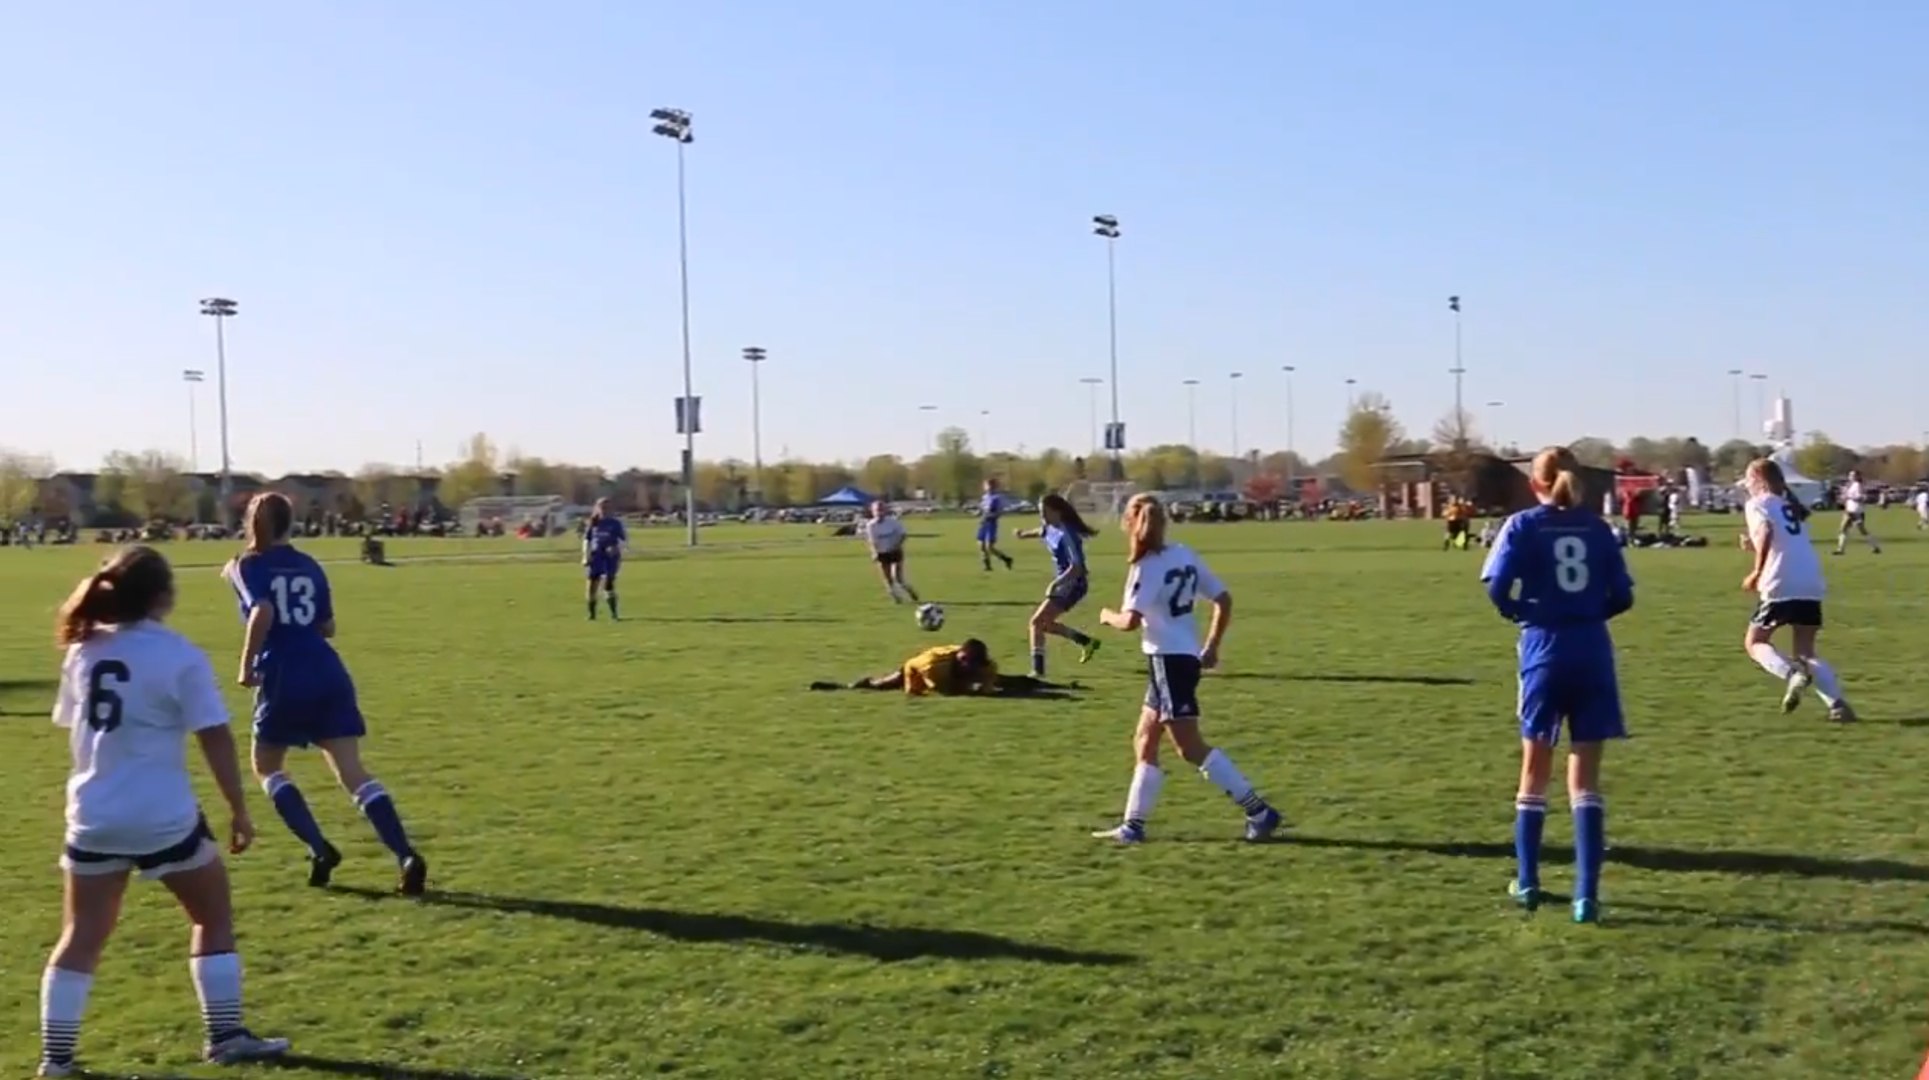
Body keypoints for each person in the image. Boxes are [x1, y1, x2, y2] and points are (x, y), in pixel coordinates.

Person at [39, 546, 289, 1075]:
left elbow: (75, 729)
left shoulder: (81, 651)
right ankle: (226, 1036)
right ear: (161, 597)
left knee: (81, 935)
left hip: (92, 814)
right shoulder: (179, 655)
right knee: (212, 916)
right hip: (161, 817)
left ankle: (55, 1060)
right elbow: (215, 738)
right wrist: (239, 810)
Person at [221, 492, 429, 894]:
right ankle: (405, 854)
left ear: (252, 524)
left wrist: (246, 666)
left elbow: (262, 611)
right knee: (353, 772)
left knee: (267, 766)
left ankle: (320, 848)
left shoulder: (248, 565)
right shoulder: (310, 565)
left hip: (284, 672)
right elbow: (328, 626)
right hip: (327, 668)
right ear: (291, 524)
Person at [1479, 447, 1634, 925]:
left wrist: (1524, 613)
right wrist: (1586, 616)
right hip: (1592, 650)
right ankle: (1585, 896)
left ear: (1535, 483)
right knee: (1585, 778)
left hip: (1544, 650)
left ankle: (1528, 881)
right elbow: (1623, 596)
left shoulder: (1524, 526)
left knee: (1534, 770)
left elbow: (1495, 585)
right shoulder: (1598, 528)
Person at [1091, 494, 1282, 844]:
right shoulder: (1184, 554)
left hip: (1167, 661)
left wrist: (1106, 616)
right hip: (1181, 659)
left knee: (1190, 748)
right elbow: (1223, 599)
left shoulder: (1145, 566)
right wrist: (1211, 646)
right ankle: (1133, 827)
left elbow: (1130, 622)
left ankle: (1259, 811)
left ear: (1132, 523)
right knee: (1145, 739)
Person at [1740, 459, 1857, 722]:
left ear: (1758, 479)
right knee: (1806, 652)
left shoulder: (1757, 503)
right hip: (1810, 580)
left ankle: (1793, 674)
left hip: (1780, 580)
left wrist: (1756, 572)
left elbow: (1767, 532)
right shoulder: (1791, 506)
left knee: (1755, 642)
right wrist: (1754, 546)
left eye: (1748, 479)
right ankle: (1838, 705)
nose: (1746, 485)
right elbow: (1784, 540)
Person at [1014, 494, 1102, 678]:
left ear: (1058, 512)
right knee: (1044, 624)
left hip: (1073, 583)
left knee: (1036, 622)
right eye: (1040, 513)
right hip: (1066, 582)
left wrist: (1056, 583)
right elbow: (1041, 531)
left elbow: (1078, 568)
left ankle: (1037, 672)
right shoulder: (1050, 527)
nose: (1042, 517)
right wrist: (1023, 534)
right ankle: (1086, 641)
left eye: (1045, 512)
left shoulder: (1067, 534)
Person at [864, 501, 919, 604]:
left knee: (897, 578)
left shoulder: (893, 522)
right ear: (872, 512)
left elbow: (903, 535)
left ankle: (909, 590)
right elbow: (872, 541)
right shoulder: (871, 525)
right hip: (882, 553)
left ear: (885, 511)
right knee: (887, 578)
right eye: (876, 510)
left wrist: (896, 546)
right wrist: (874, 552)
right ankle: (896, 597)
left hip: (895, 551)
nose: (879, 513)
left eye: (881, 510)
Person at [582, 498, 628, 619]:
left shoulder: (615, 523)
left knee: (609, 584)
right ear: (597, 507)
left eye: (607, 507)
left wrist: (616, 548)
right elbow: (587, 540)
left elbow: (623, 540)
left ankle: (614, 613)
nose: (605, 509)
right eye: (602, 506)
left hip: (610, 557)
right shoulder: (593, 522)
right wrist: (585, 556)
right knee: (592, 583)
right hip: (596, 556)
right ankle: (592, 614)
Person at [1832, 470, 1882, 555]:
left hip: (1857, 511)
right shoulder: (1850, 485)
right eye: (1850, 475)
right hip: (1849, 510)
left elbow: (1861, 497)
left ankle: (1875, 547)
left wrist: (1849, 496)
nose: (1851, 476)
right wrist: (1844, 497)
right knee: (1843, 529)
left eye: (1853, 475)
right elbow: (1847, 496)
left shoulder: (1858, 485)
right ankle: (1840, 549)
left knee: (1862, 530)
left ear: (1858, 476)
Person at [976, 478, 1016, 572]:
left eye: (988, 485)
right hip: (983, 522)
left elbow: (999, 511)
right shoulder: (985, 497)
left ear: (993, 486)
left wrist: (991, 515)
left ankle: (1006, 559)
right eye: (985, 485)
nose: (986, 487)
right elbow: (982, 509)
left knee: (989, 547)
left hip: (991, 523)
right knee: (981, 544)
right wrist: (978, 513)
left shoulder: (997, 498)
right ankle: (987, 566)